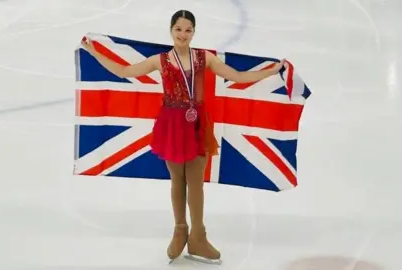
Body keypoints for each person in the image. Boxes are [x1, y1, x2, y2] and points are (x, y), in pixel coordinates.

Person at [81, 9, 285, 264]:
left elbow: (238, 76)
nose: (183, 34)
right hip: (172, 124)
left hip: (197, 123)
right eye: (178, 29)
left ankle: (198, 236)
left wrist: (270, 71)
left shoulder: (204, 58)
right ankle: (180, 230)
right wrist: (94, 52)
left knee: (195, 181)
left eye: (188, 30)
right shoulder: (161, 60)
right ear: (171, 30)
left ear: (194, 32)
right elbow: (124, 71)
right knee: (178, 179)